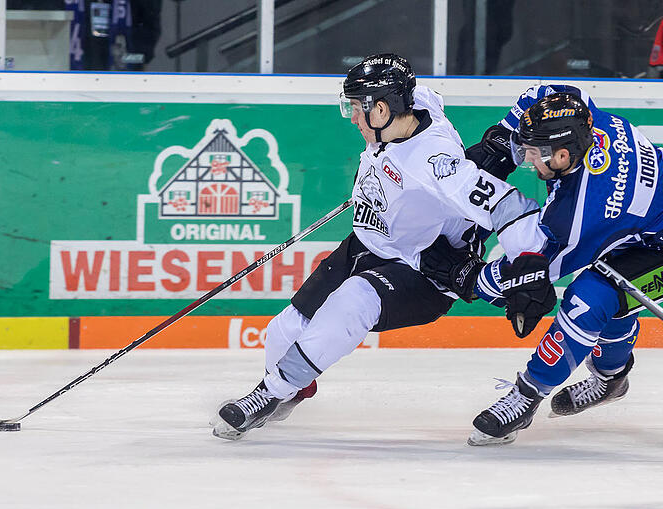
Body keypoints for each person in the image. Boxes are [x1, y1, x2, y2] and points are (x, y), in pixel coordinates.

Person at [212, 53, 545, 440]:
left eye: (356, 109)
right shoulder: (417, 102)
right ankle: (293, 389)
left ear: (382, 109)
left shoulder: (436, 163)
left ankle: (269, 393)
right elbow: (532, 93)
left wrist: (529, 261)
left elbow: (507, 205)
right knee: (281, 333)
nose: (353, 118)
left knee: (352, 301)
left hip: (419, 270)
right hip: (367, 245)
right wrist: (515, 121)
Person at [464, 85, 663, 446]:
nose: (527, 161)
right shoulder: (587, 119)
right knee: (614, 300)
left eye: (533, 153)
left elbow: (529, 274)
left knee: (588, 300)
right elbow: (548, 91)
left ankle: (527, 395)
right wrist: (507, 129)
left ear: (561, 155)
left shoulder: (581, 214)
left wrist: (464, 277)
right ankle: (611, 380)